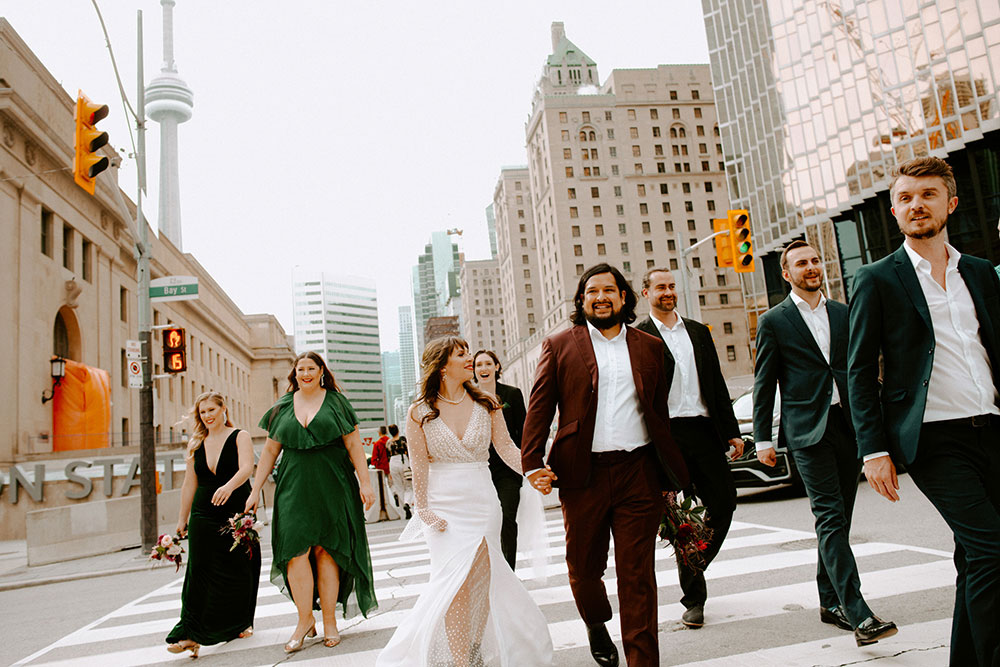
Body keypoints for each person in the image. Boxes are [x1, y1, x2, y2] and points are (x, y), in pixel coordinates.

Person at [848, 156, 1000, 666]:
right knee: (993, 552)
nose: (917, 205)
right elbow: (859, 370)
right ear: (894, 212)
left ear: (951, 204)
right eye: (906, 198)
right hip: (935, 440)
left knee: (974, 559)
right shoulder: (877, 279)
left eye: (928, 194)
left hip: (993, 429)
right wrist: (873, 449)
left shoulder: (979, 272)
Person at [521, 263, 689, 667]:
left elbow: (660, 410)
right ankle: (596, 623)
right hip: (583, 475)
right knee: (583, 569)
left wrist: (674, 469)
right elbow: (540, 407)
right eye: (592, 291)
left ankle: (642, 662)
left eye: (609, 290)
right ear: (582, 300)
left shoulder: (649, 347)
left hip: (638, 473)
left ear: (624, 298)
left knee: (637, 577)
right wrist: (531, 463)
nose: (601, 297)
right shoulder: (560, 344)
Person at [377, 336, 553, 667]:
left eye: (468, 352)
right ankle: (461, 661)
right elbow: (419, 467)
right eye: (461, 354)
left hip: (482, 500)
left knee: (481, 582)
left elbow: (507, 449)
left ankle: (473, 645)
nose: (470, 358)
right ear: (442, 365)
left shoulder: (487, 403)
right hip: (443, 506)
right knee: (452, 584)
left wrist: (534, 471)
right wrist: (424, 510)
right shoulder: (419, 412)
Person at [754, 240, 897, 647]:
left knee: (840, 520)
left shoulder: (843, 313)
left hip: (848, 427)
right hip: (807, 432)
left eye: (816, 260)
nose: (811, 267)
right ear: (787, 273)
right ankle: (859, 613)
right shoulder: (774, 321)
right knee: (830, 518)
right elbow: (764, 382)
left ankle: (828, 600)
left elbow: (862, 369)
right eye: (802, 263)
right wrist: (762, 437)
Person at [245, 351, 377, 653]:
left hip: (333, 482)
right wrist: (255, 490)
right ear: (295, 373)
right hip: (293, 486)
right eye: (300, 368)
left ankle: (329, 620)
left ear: (321, 372)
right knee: (295, 550)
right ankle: (304, 619)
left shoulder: (337, 402)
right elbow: (268, 453)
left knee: (327, 550)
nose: (305, 373)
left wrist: (365, 483)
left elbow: (354, 444)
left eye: (311, 368)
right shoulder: (281, 407)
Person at [635, 267, 742, 629]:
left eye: (670, 286)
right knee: (678, 519)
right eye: (660, 287)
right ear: (645, 292)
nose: (667, 292)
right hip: (665, 438)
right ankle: (694, 598)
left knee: (724, 502)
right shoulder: (638, 337)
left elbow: (715, 381)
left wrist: (732, 431)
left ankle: (694, 564)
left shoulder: (697, 331)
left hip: (703, 429)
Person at [166, 392, 261, 658]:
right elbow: (189, 483)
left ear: (223, 410)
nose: (207, 416)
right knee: (199, 572)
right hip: (203, 513)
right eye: (202, 412)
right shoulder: (196, 442)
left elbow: (246, 468)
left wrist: (228, 487)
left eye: (211, 410)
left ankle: (241, 622)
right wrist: (182, 519)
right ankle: (190, 632)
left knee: (239, 567)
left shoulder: (239, 435)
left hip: (234, 508)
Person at [473, 349, 528, 569]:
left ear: (497, 367)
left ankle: (509, 571)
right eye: (478, 365)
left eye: (488, 364)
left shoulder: (512, 394)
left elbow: (524, 431)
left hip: (508, 469)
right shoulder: (468, 397)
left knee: (507, 519)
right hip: (480, 469)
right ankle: (490, 569)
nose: (483, 369)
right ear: (473, 370)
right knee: (486, 523)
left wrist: (527, 464)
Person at [386, 424, 412, 519]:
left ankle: (403, 510)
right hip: (403, 461)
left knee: (399, 487)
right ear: (398, 430)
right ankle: (407, 503)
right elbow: (409, 451)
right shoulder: (403, 440)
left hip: (393, 463)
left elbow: (387, 456)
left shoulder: (388, 443)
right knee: (408, 486)